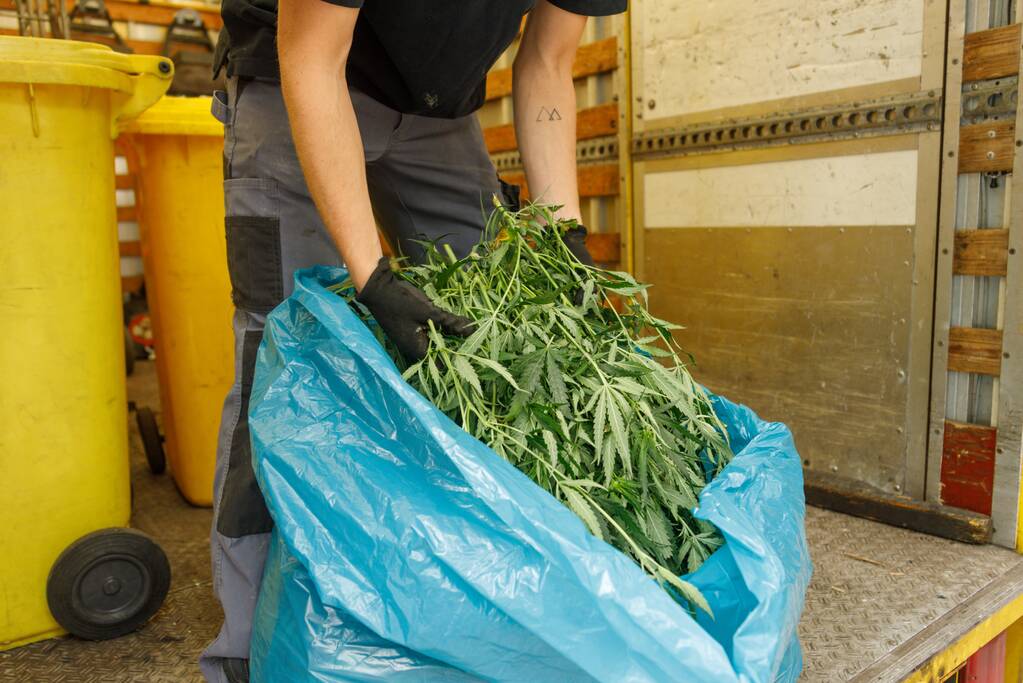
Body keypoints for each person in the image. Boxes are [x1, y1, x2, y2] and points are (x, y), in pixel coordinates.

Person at [201, 0, 627, 680]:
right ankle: (250, 649)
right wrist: (372, 279)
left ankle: (476, 601)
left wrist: (561, 233)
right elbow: (313, 56)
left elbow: (547, 61)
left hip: (439, 115)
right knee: (282, 359)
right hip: (295, 80)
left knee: (496, 335)